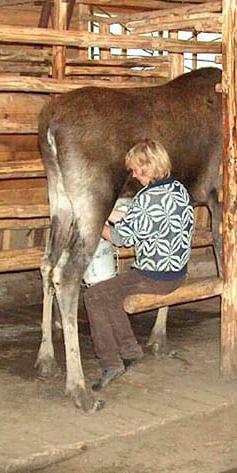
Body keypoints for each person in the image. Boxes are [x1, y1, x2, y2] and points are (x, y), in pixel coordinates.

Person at [84, 139, 194, 391]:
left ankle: (111, 362)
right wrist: (105, 211)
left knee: (95, 295)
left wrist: (93, 221)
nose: (132, 175)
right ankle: (130, 350)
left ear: (148, 166)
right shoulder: (177, 189)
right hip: (176, 272)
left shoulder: (148, 197)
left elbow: (120, 238)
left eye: (135, 169)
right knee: (110, 294)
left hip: (156, 277)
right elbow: (138, 218)